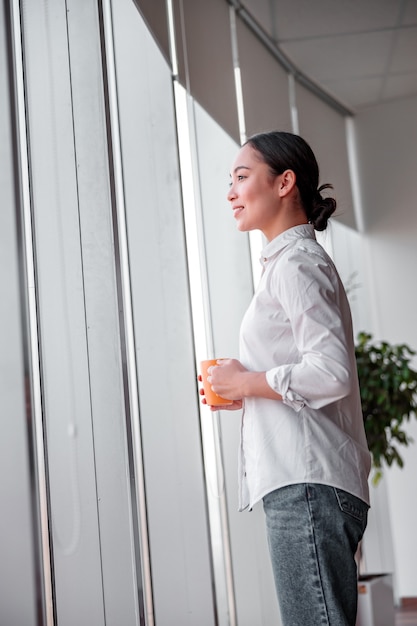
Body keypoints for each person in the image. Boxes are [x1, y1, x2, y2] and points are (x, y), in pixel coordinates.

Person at [200, 131, 371, 626]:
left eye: (241, 176)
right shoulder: (291, 263)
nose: (230, 192)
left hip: (308, 485)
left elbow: (331, 371)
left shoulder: (296, 263)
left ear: (284, 182)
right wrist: (243, 390)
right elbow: (312, 371)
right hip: (307, 482)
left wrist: (246, 383)